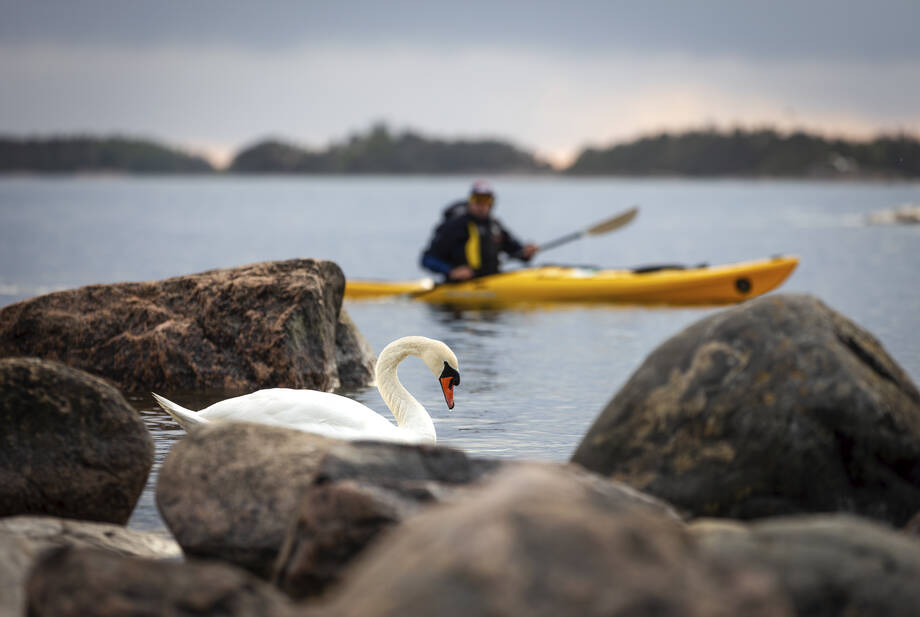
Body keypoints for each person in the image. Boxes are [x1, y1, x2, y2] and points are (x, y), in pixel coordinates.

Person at [420, 181, 538, 281]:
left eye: (486, 200)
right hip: (462, 286)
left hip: (492, 281)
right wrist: (451, 271)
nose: (482, 205)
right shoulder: (454, 226)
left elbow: (516, 251)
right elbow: (427, 259)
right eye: (477, 200)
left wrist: (526, 252)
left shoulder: (494, 226)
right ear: (470, 201)